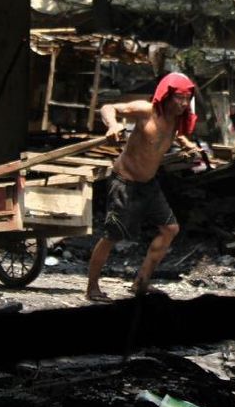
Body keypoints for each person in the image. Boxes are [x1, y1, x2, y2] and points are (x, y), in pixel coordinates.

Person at [85, 72, 201, 302]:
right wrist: (113, 125)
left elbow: (172, 135)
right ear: (166, 96)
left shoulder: (176, 119)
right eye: (179, 97)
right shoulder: (145, 110)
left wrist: (186, 144)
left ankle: (141, 283)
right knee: (112, 235)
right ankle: (92, 288)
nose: (184, 103)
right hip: (124, 182)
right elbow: (108, 108)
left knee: (170, 229)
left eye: (187, 98)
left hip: (148, 184)